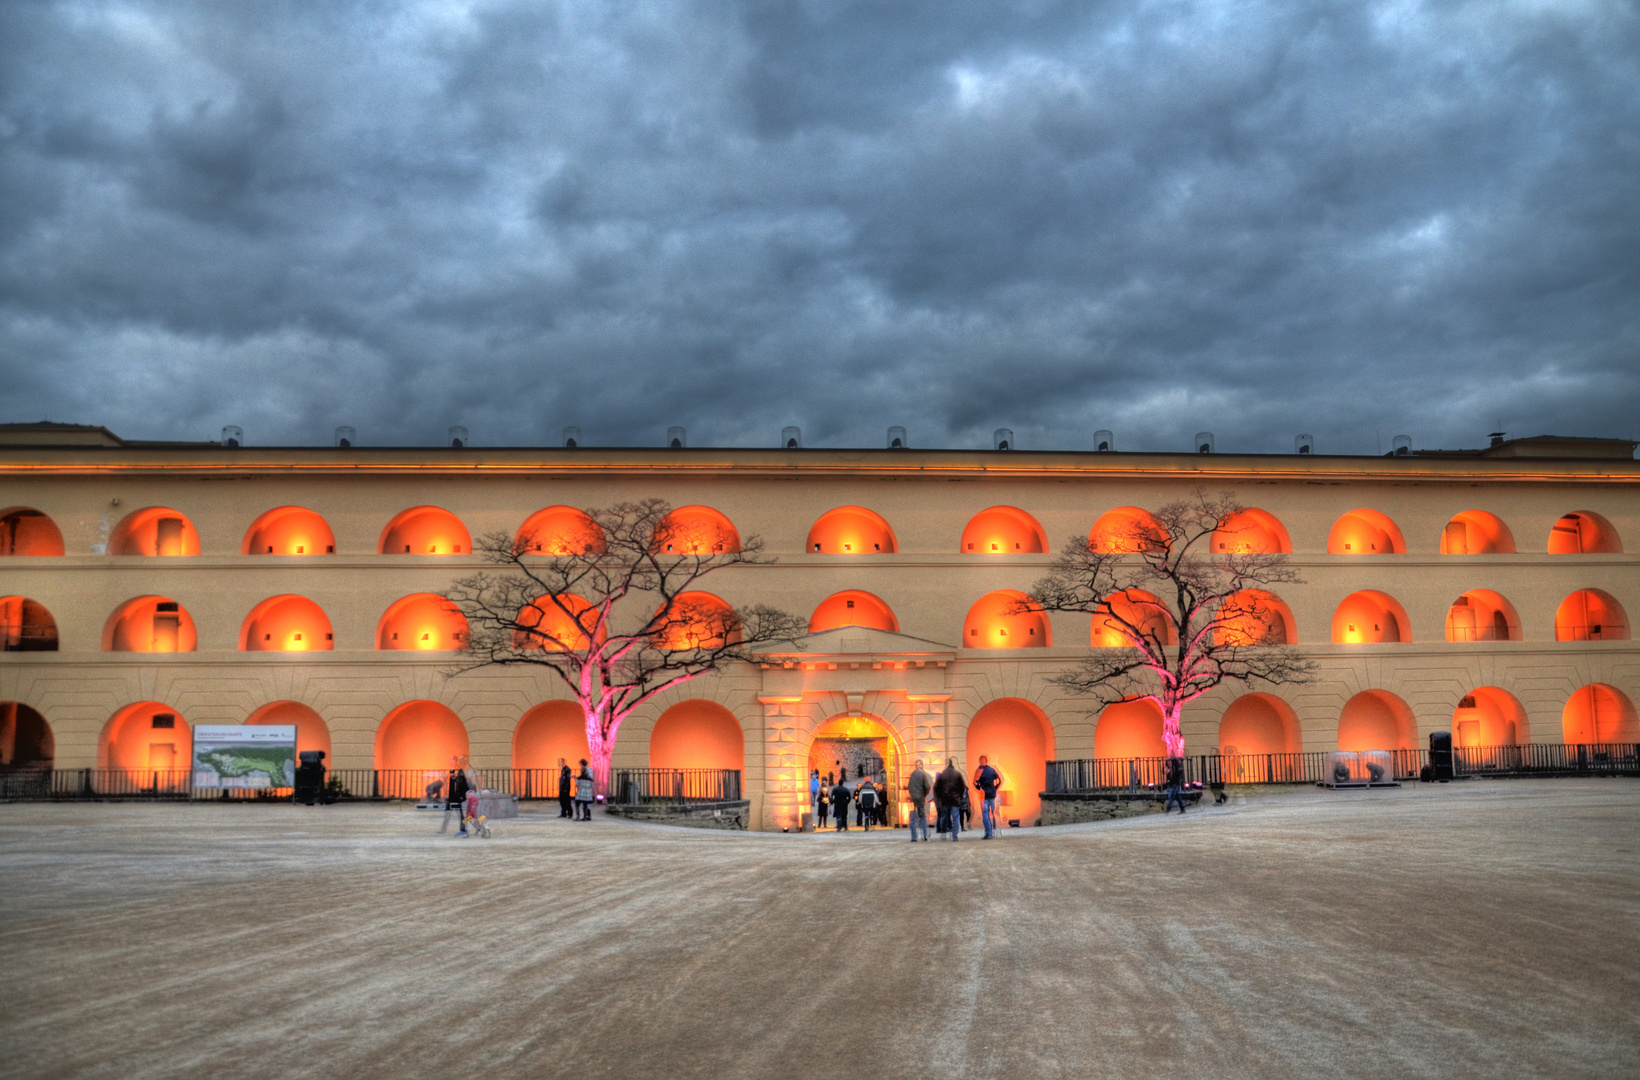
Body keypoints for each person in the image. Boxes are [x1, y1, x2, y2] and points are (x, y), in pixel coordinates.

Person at [933, 758, 965, 841]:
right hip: (955, 799)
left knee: (944, 816)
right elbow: (963, 787)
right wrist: (960, 797)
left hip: (944, 799)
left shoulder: (942, 774)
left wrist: (940, 797)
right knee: (955, 817)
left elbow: (936, 787)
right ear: (953, 764)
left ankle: (943, 833)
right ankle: (954, 836)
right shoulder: (958, 774)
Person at [974, 755, 1003, 839]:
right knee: (995, 813)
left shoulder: (979, 771)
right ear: (986, 761)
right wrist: (995, 788)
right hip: (992, 794)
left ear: (980, 761)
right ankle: (996, 831)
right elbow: (1000, 780)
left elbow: (975, 782)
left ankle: (988, 833)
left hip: (984, 796)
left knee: (985, 814)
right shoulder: (992, 770)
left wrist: (979, 788)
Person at [906, 759, 932, 842]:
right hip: (921, 798)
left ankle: (914, 837)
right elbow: (928, 787)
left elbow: (909, 786)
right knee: (922, 816)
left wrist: (912, 795)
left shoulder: (912, 774)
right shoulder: (924, 774)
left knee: (913, 817)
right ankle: (924, 835)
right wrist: (924, 795)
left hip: (913, 798)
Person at [444, 765, 470, 836]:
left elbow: (465, 791)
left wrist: (463, 799)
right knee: (462, 817)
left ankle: (464, 830)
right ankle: (464, 830)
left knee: (466, 817)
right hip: (455, 801)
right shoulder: (454, 782)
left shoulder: (461, 782)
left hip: (461, 802)